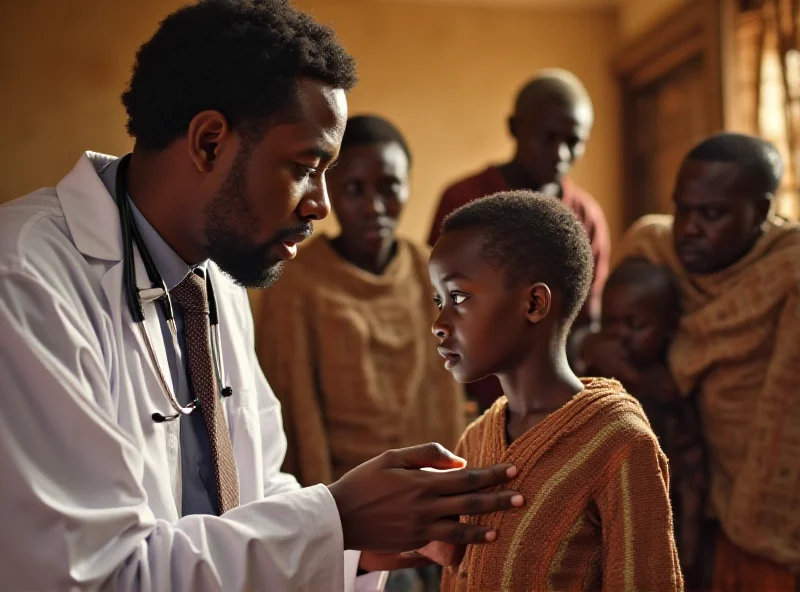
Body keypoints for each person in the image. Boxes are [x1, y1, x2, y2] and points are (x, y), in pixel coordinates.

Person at [0, 2, 525, 590]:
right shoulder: (24, 284)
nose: (319, 205)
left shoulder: (217, 281)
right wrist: (337, 520)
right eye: (305, 166)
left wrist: (360, 544)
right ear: (208, 143)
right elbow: (91, 578)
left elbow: (255, 494)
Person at [429, 191, 682, 591]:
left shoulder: (619, 443)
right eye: (438, 300)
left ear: (534, 303)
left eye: (458, 297)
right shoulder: (474, 441)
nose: (439, 322)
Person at [596, 132, 800, 591]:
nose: (689, 226)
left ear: (762, 212)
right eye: (682, 208)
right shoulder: (653, 247)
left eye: (712, 214)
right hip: (672, 479)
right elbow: (602, 347)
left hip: (760, 497)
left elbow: (787, 413)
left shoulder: (789, 269)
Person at [256, 115, 465, 489]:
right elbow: (295, 411)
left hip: (432, 484)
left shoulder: (429, 269)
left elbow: (444, 395)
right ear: (329, 190)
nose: (374, 207)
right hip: (346, 493)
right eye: (354, 189)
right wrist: (327, 514)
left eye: (389, 187)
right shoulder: (297, 283)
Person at [427, 69, 610, 412]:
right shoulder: (464, 199)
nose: (560, 154)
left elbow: (585, 320)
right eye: (547, 137)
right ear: (515, 128)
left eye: (573, 141)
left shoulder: (586, 217)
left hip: (551, 402)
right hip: (473, 397)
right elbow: (440, 300)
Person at [590, 258, 707, 584]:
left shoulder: (670, 391)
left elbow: (690, 479)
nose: (619, 336)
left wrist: (690, 552)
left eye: (635, 324)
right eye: (609, 323)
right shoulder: (593, 375)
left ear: (668, 329)